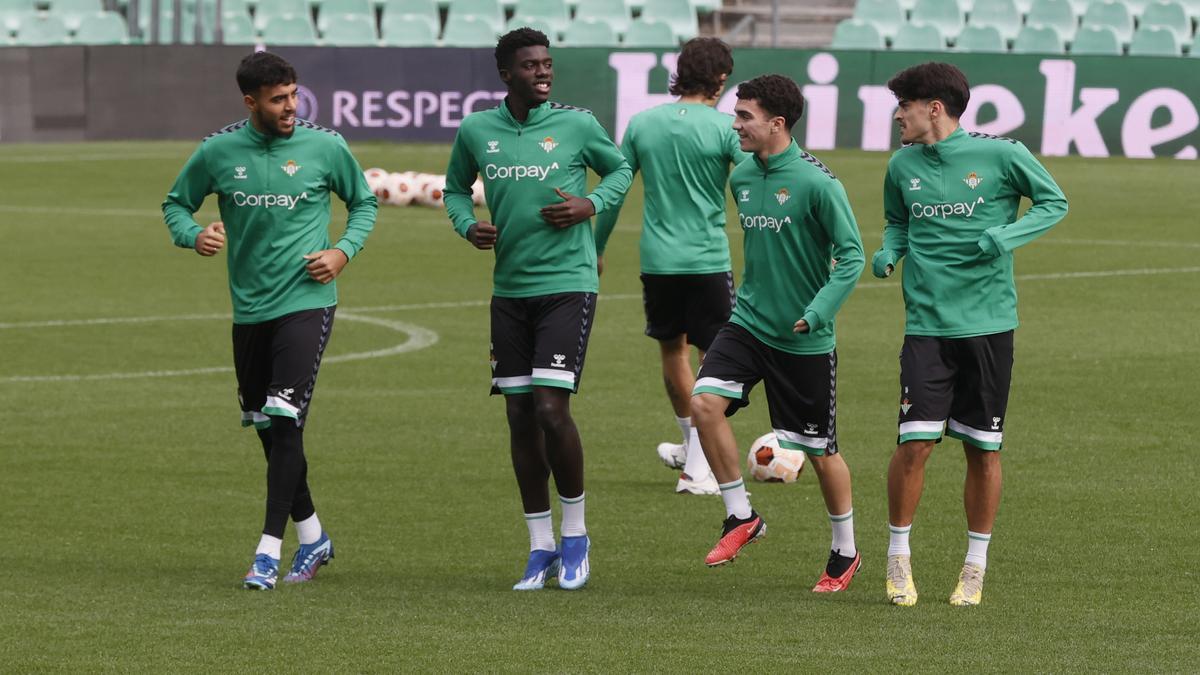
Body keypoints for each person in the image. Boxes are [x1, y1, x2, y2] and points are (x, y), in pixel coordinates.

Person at [161, 52, 377, 590]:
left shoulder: (326, 146)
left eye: (294, 95)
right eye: (279, 99)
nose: (291, 107)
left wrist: (343, 251)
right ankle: (313, 537)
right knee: (269, 428)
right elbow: (174, 205)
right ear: (250, 101)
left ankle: (267, 551)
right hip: (249, 309)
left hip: (307, 301)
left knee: (283, 418)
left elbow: (365, 203)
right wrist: (194, 235)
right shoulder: (218, 150)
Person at [443, 28, 632, 591]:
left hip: (568, 285)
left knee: (552, 408)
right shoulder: (477, 129)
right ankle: (540, 546)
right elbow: (454, 189)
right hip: (509, 290)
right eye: (531, 66)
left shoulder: (576, 124)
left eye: (547, 64)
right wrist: (466, 224)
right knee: (519, 415)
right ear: (507, 74)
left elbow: (620, 170)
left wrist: (589, 204)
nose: (543, 73)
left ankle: (575, 537)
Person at [873, 62, 1068, 607]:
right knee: (913, 443)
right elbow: (897, 219)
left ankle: (974, 568)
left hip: (988, 327)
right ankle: (897, 561)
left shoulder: (1003, 155)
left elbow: (1055, 203)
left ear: (933, 108)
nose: (897, 117)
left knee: (982, 449)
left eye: (904, 106)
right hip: (926, 326)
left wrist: (1004, 236)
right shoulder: (900, 165)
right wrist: (893, 247)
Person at [690, 74, 865, 592]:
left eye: (744, 116)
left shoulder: (818, 183)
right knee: (703, 404)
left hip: (803, 338)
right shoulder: (741, 175)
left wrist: (816, 313)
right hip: (747, 323)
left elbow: (850, 255)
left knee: (820, 449)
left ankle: (845, 550)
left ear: (777, 124)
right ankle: (741, 515)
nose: (735, 123)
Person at [593, 37, 749, 496]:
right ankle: (698, 469)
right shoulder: (725, 129)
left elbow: (616, 190)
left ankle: (689, 448)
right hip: (706, 258)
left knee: (672, 352)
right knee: (714, 362)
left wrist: (596, 247)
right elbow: (752, 181)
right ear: (720, 79)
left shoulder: (642, 124)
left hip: (658, 260)